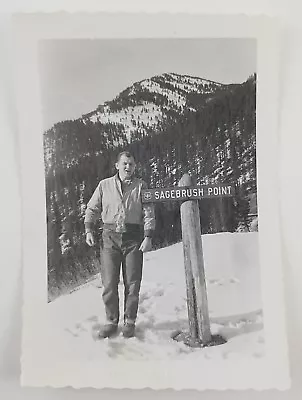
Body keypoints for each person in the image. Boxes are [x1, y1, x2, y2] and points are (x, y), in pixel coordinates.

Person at [84, 151, 155, 338]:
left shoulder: (142, 186)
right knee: (109, 283)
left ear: (135, 166)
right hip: (109, 238)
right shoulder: (104, 185)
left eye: (131, 164)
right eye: (124, 163)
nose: (127, 167)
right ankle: (111, 321)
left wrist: (148, 236)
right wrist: (88, 230)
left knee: (133, 283)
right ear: (117, 165)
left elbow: (149, 212)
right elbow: (92, 208)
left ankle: (129, 321)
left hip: (133, 239)